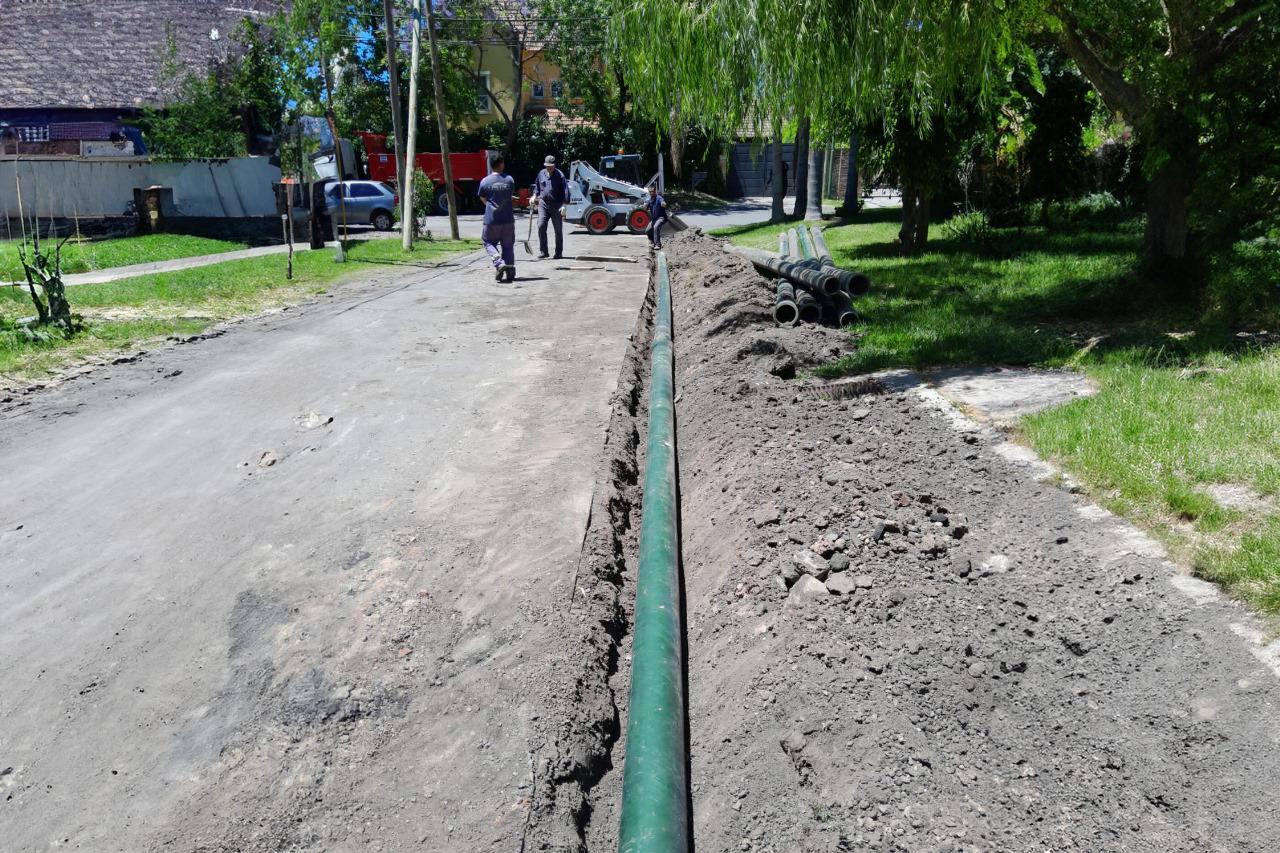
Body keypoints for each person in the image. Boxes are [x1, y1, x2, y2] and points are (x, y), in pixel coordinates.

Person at [477, 152, 517, 282]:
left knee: (488, 242)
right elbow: (510, 194)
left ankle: (499, 263)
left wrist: (490, 204)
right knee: (508, 246)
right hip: (508, 220)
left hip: (491, 220)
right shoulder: (509, 180)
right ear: (501, 164)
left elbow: (482, 197)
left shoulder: (484, 181)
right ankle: (510, 272)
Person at [534, 154, 567, 259]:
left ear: (554, 165)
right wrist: (534, 196)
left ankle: (558, 252)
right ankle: (544, 251)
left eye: (550, 166)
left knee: (558, 229)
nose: (548, 168)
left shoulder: (560, 175)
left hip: (556, 204)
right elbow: (537, 187)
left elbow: (565, 190)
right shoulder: (541, 174)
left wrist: (564, 204)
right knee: (541, 225)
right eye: (547, 166)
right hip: (543, 203)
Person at [646, 184, 668, 251]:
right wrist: (645, 206)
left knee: (656, 227)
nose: (651, 193)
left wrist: (663, 204)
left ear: (655, 191)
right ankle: (653, 242)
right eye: (650, 192)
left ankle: (657, 244)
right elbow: (646, 207)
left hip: (661, 218)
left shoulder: (659, 198)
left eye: (652, 191)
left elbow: (663, 202)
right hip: (654, 219)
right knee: (647, 230)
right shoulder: (650, 200)